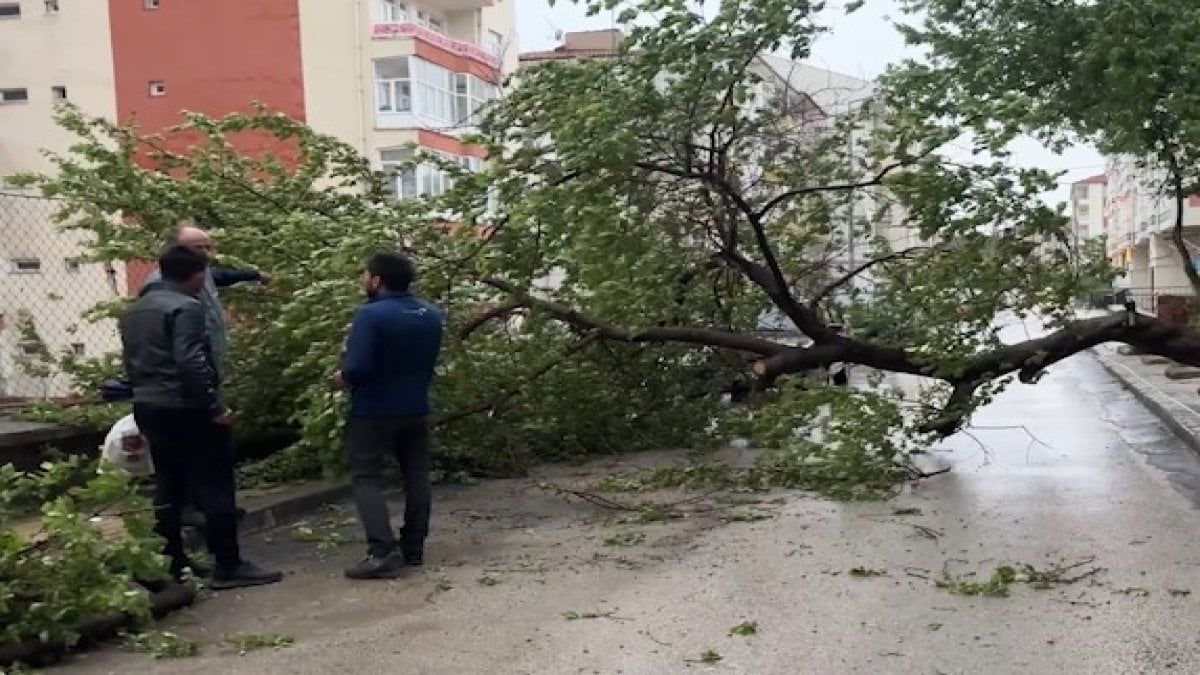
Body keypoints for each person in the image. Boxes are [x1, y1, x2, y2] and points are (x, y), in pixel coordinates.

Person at [120, 245, 282, 589]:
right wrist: (215, 407)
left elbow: (130, 362)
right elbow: (190, 360)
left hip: (149, 405)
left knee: (169, 484)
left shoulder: (136, 310)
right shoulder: (187, 308)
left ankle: (171, 563)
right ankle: (228, 564)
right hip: (187, 406)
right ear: (197, 275)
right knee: (215, 483)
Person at [333, 252, 444, 580]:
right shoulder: (431, 314)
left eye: (366, 274)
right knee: (417, 476)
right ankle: (413, 547)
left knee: (366, 476)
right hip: (416, 407)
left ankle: (381, 551)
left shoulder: (372, 315)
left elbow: (358, 366)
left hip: (374, 410)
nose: (364, 280)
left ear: (377, 280)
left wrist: (341, 378)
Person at [141, 222, 270, 373]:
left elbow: (223, 276)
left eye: (208, 248)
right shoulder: (162, 283)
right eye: (198, 248)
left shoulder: (201, 274)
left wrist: (255, 275)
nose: (205, 254)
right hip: (181, 377)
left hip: (206, 367)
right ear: (177, 251)